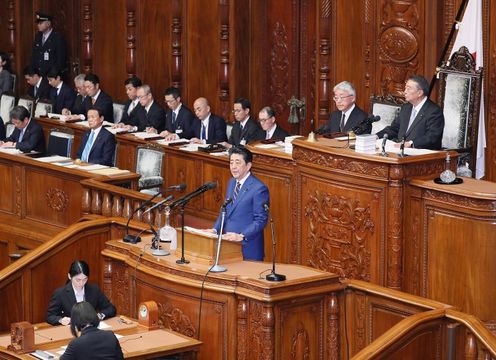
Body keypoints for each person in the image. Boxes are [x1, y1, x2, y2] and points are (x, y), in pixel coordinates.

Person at [209, 147, 269, 261]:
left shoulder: (259, 188)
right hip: (228, 246)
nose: (233, 166)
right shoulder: (232, 182)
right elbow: (225, 211)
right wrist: (215, 230)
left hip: (247, 247)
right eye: (231, 162)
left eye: (238, 162)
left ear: (248, 166)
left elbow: (261, 220)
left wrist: (241, 235)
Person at [376, 75, 445, 150]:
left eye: (408, 89)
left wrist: (411, 143)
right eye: (405, 88)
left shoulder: (434, 111)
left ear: (419, 93)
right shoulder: (406, 108)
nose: (405, 92)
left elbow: (432, 136)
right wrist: (376, 136)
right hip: (400, 152)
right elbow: (394, 129)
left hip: (421, 156)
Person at [47, 260, 116, 326]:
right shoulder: (60, 293)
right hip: (71, 330)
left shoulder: (94, 290)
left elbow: (111, 308)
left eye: (85, 279)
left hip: (91, 329)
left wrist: (100, 315)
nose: (81, 283)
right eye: (78, 280)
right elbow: (50, 316)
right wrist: (61, 320)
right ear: (69, 276)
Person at [32, 12, 66, 76]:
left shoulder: (57, 38)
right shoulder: (38, 37)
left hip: (51, 77)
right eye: (38, 23)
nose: (38, 25)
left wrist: (53, 75)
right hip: (39, 76)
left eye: (40, 23)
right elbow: (34, 56)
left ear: (48, 24)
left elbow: (60, 61)